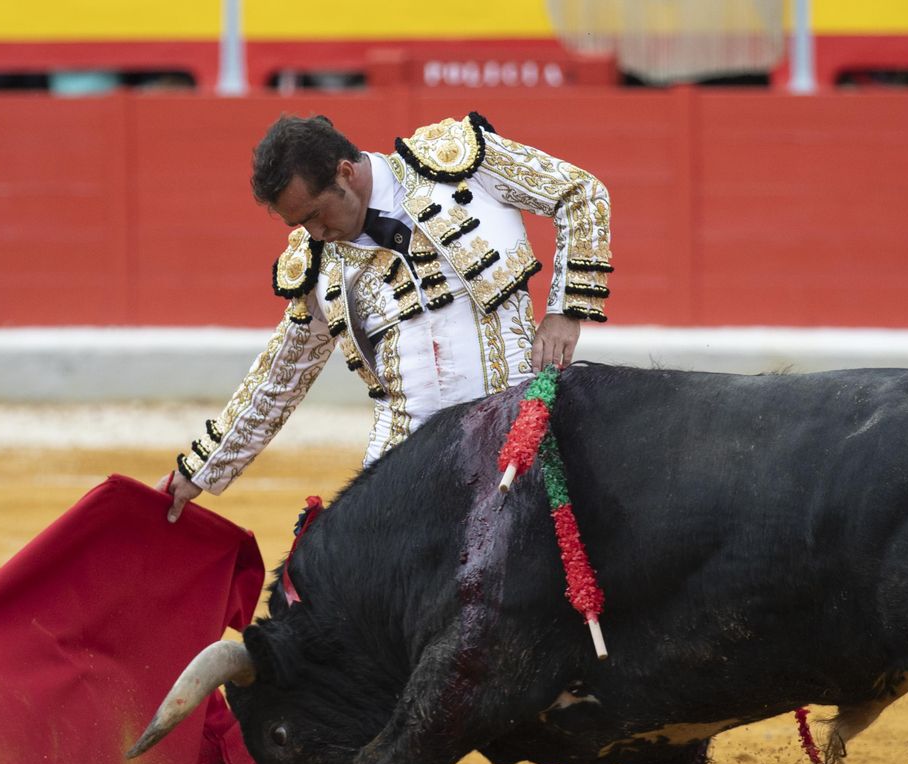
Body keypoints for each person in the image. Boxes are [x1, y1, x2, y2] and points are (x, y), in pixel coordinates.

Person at [159, 112, 612, 521]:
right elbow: (280, 378)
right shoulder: (317, 266)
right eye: (299, 225)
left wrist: (566, 310)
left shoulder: (459, 161)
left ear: (345, 173)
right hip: (403, 469)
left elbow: (580, 193)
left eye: (316, 214)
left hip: (516, 434)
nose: (314, 233)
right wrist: (199, 471)